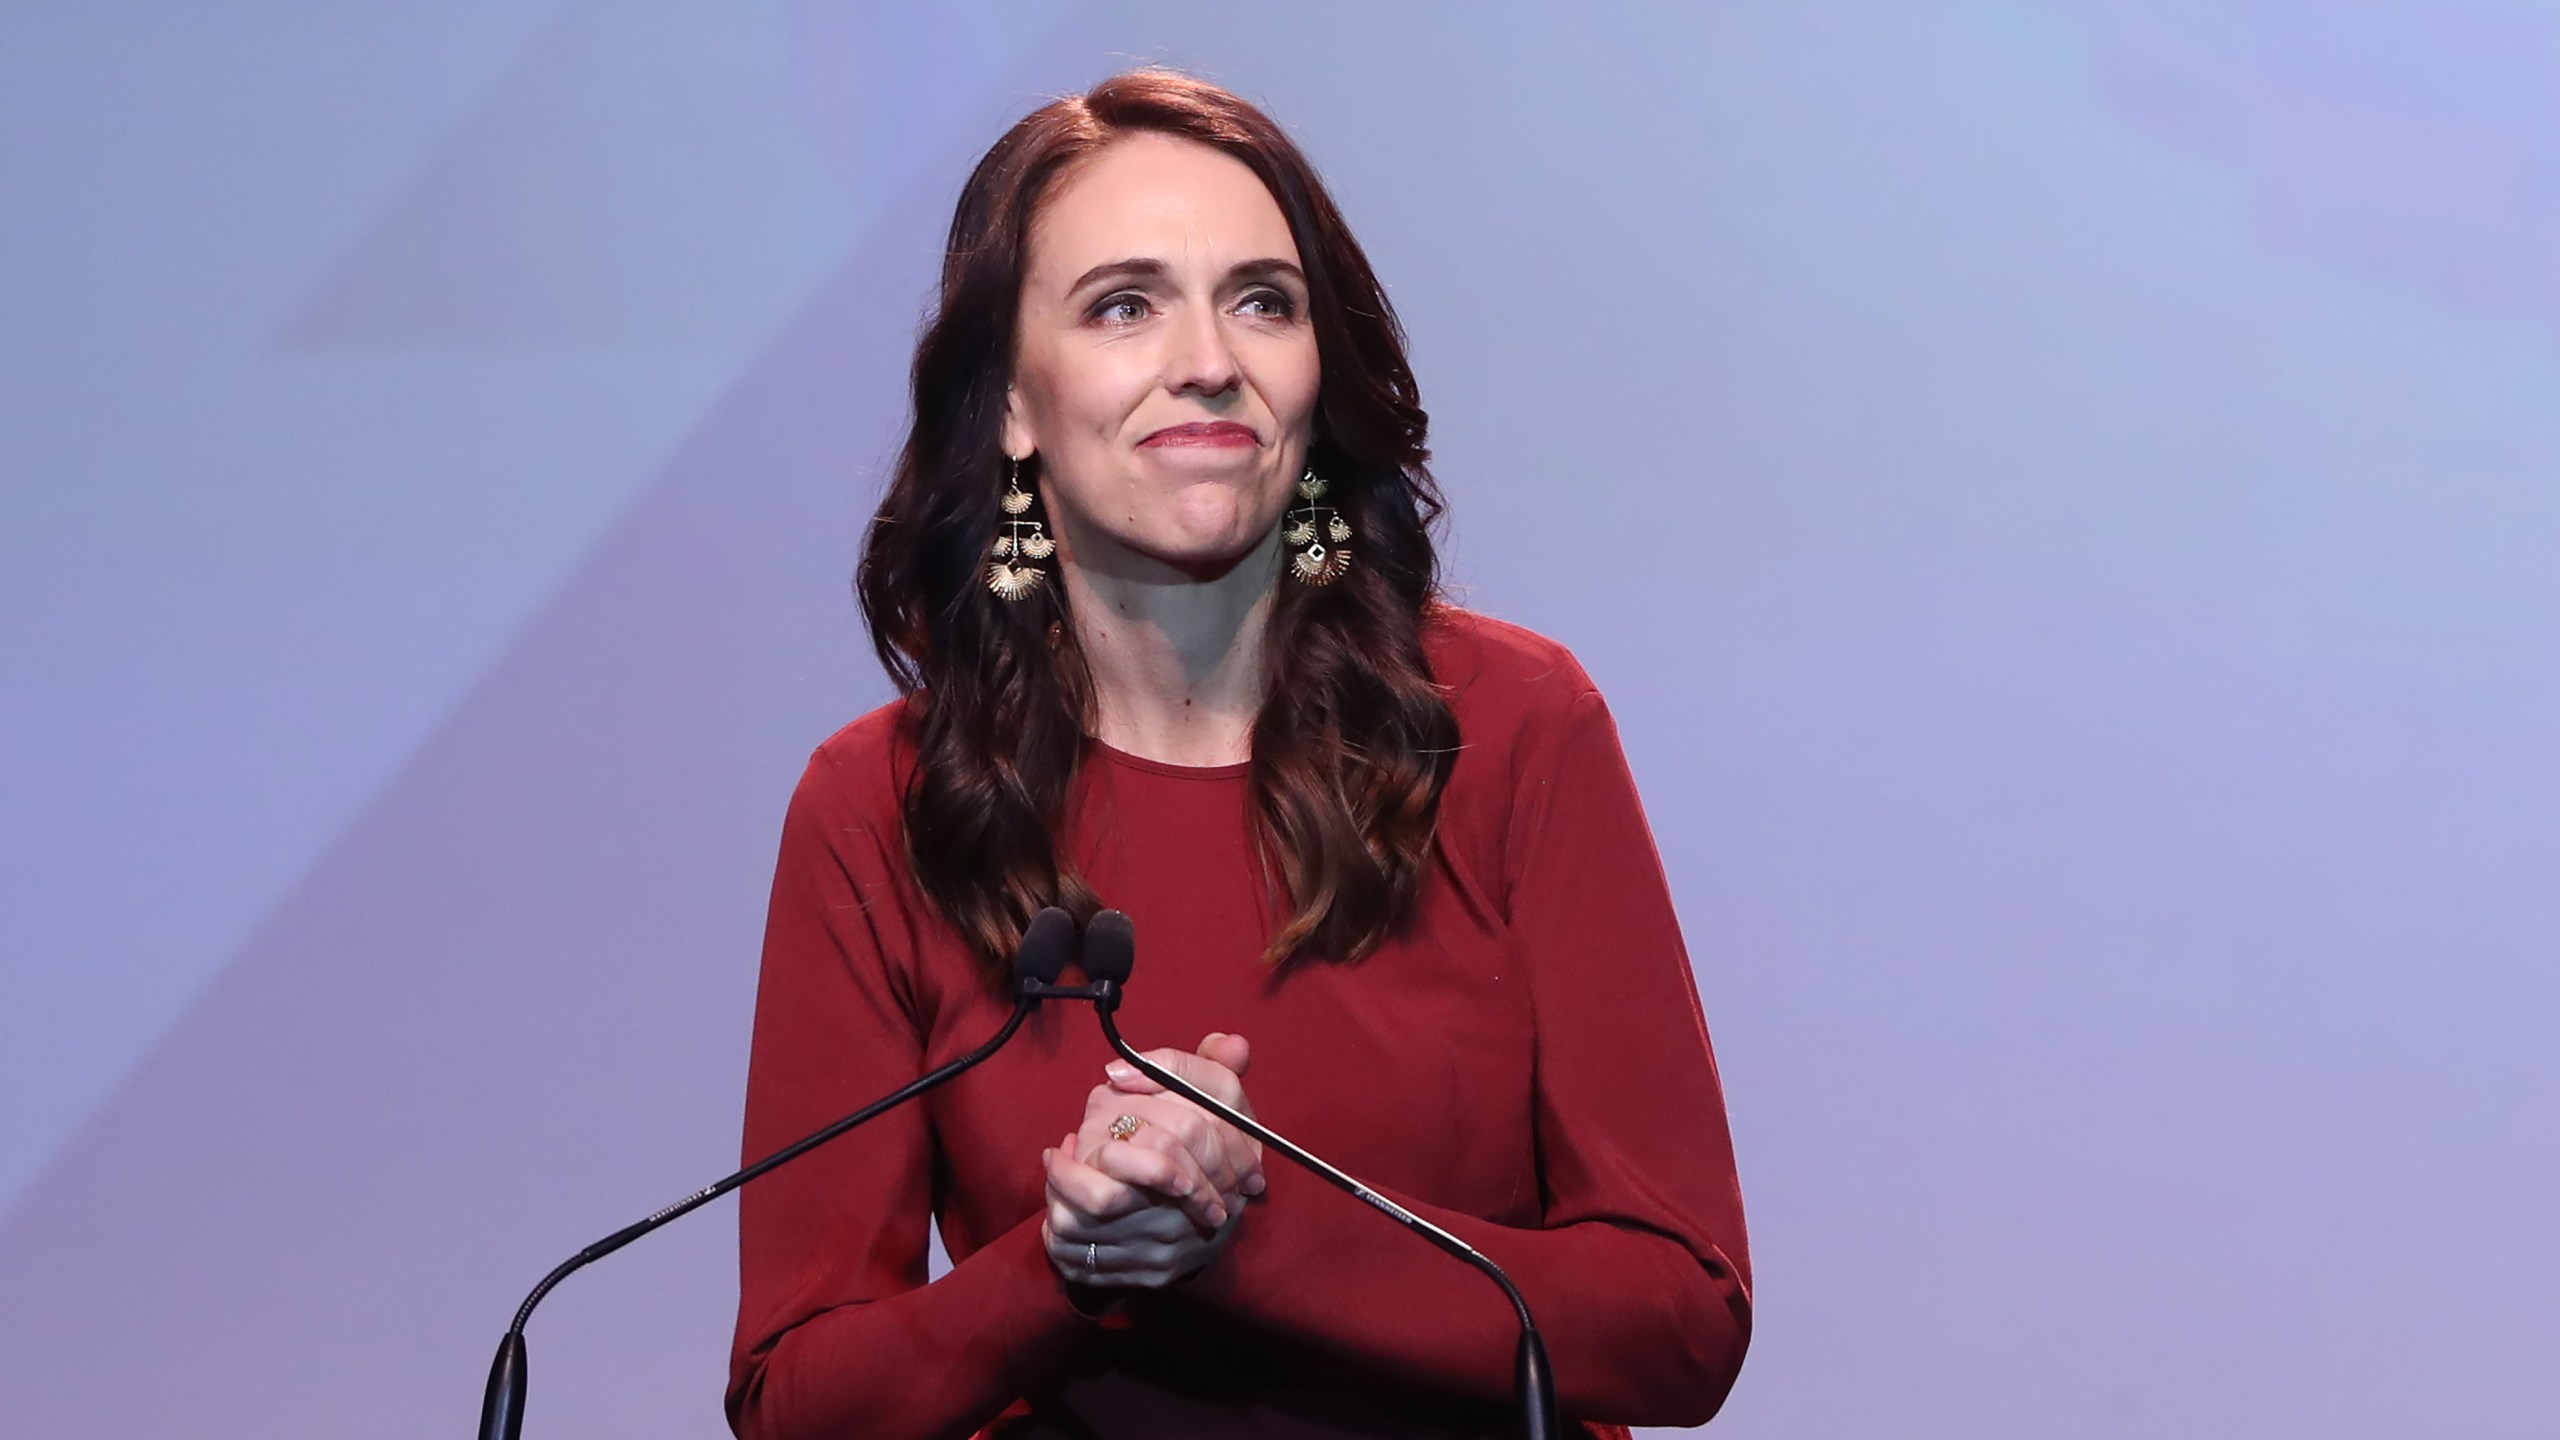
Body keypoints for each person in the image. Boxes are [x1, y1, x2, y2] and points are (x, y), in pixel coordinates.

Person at [727, 70, 1749, 1440]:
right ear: (1014, 407)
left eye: (1262, 299)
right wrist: (1070, 1266)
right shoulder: (880, 804)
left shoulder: (1514, 726)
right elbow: (798, 1397)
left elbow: (1683, 1319)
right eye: (1124, 304)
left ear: (1317, 385)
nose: (1209, 357)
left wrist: (1245, 1223)